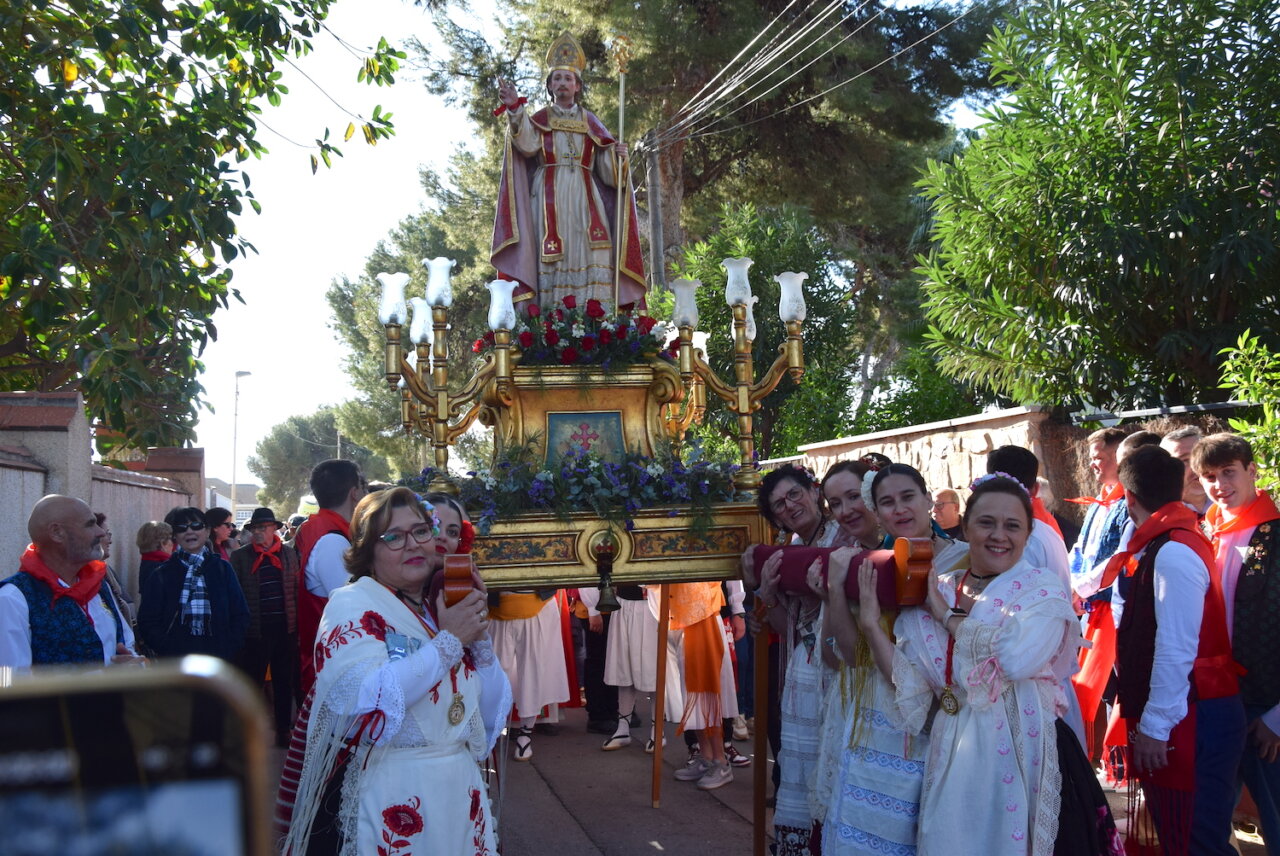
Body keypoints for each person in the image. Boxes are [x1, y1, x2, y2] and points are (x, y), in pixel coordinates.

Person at [864, 474, 1121, 856]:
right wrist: (871, 626)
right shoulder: (943, 586)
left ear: (1028, 533)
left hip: (1031, 750)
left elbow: (1015, 661)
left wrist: (943, 614)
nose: (998, 534)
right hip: (957, 755)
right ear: (966, 527)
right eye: (986, 522)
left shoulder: (1042, 589)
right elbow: (914, 688)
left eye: (1012, 525)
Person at [280, 487, 510, 855]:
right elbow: (364, 699)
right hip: (396, 791)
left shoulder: (438, 605)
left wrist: (478, 640)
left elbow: (489, 712)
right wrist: (451, 641)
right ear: (369, 550)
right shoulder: (353, 604)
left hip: (459, 791)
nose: (414, 544)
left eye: (420, 531)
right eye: (394, 537)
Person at [1108, 445, 1245, 855]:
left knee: (1194, 837)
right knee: (1183, 834)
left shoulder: (1173, 549)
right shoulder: (1174, 539)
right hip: (1196, 708)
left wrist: (1154, 728)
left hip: (1197, 712)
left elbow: (1175, 649)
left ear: (1128, 497)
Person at [804, 460, 926, 855]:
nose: (847, 510)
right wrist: (835, 593)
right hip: (867, 709)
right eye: (836, 503)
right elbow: (838, 656)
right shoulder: (852, 560)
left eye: (854, 496)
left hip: (926, 714)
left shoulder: (950, 556)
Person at [491, 31, 645, 314]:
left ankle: (597, 323)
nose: (562, 83)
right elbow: (525, 143)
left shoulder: (591, 123)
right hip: (549, 198)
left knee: (594, 249)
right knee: (553, 257)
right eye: (557, 79)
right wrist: (515, 109)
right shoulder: (540, 119)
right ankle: (553, 323)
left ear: (577, 86)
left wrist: (619, 159)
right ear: (550, 86)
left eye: (568, 79)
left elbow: (610, 176)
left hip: (587, 199)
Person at [748, 463, 846, 854]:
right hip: (802, 673)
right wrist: (766, 596)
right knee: (802, 774)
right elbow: (789, 626)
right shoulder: (787, 552)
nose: (789, 507)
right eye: (778, 506)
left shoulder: (844, 536)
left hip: (841, 669)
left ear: (812, 490)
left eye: (794, 494)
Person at [1192, 433, 1280, 848]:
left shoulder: (1276, 536)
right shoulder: (1205, 532)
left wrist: (1278, 717)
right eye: (1209, 476)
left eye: (1228, 472)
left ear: (1252, 471)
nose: (1219, 484)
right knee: (1210, 818)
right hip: (1217, 699)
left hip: (1268, 705)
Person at [0, 495, 144, 668]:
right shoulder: (11, 599)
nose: (101, 532)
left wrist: (133, 666)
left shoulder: (100, 586)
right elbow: (7, 682)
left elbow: (128, 647)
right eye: (90, 524)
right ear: (57, 533)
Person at [1068, 427, 1130, 755]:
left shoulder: (1127, 503)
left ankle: (1120, 759)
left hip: (1115, 608)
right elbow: (1081, 549)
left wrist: (1080, 587)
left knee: (1120, 684)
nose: (1094, 465)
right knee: (1103, 686)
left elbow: (1118, 557)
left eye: (1100, 458)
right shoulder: (1099, 502)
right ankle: (1105, 759)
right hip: (1091, 608)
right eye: (1093, 459)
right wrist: (1071, 583)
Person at [136, 506, 249, 661]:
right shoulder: (162, 574)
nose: (189, 531)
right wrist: (167, 648)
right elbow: (148, 620)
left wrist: (228, 646)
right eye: (182, 528)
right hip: (176, 665)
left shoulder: (222, 569)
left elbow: (240, 613)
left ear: (207, 531)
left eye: (196, 526)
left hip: (219, 661)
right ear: (175, 536)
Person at [230, 506, 301, 747]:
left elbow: (295, 590)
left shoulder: (289, 554)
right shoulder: (240, 557)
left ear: (274, 529)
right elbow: (235, 595)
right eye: (254, 529)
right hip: (255, 631)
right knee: (252, 683)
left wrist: (297, 626)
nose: (257, 533)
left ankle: (283, 730)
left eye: (262, 528)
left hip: (285, 628)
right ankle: (247, 733)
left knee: (284, 682)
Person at [294, 459, 367, 695]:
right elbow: (354, 606)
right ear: (355, 493)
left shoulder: (323, 528)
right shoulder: (332, 540)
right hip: (334, 663)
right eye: (364, 487)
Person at [1161, 425, 1213, 516]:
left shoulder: (1232, 504)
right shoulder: (1159, 515)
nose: (1197, 467)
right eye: (1185, 460)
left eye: (1201, 457)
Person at [136, 519, 173, 592]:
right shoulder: (164, 568)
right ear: (162, 543)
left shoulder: (147, 563)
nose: (172, 543)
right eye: (171, 539)